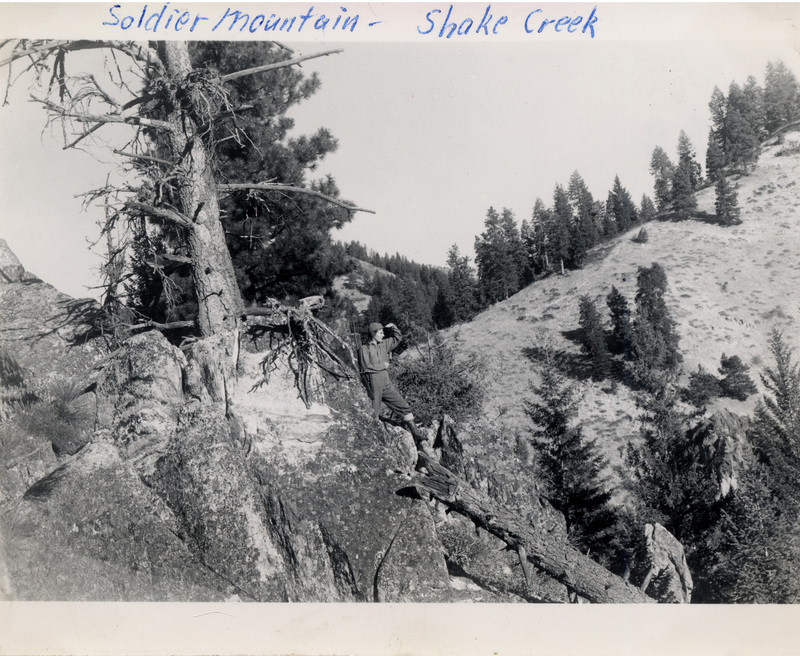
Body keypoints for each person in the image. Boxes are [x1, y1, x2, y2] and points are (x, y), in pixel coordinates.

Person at [357, 322, 428, 445]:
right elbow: (365, 367)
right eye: (380, 333)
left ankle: (415, 433)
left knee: (403, 406)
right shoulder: (365, 348)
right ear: (373, 334)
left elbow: (397, 338)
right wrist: (382, 365)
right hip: (373, 382)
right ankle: (369, 441)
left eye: (383, 332)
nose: (383, 335)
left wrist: (394, 328)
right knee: (374, 411)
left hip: (385, 381)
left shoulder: (384, 344)